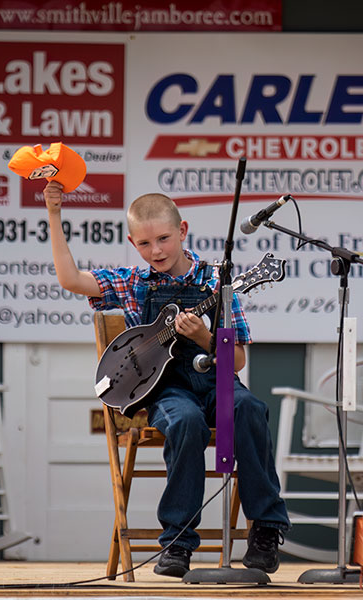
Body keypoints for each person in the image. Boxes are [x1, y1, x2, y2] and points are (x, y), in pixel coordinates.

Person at [44, 181, 291, 578]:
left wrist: (204, 338)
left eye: (163, 239)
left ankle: (265, 528)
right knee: (186, 421)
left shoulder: (217, 281)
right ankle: (178, 541)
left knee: (249, 408)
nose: (155, 251)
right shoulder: (131, 281)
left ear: (183, 230)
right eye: (144, 244)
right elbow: (71, 279)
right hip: (166, 389)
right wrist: (54, 215)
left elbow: (238, 361)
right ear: (132, 243)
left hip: (214, 380)